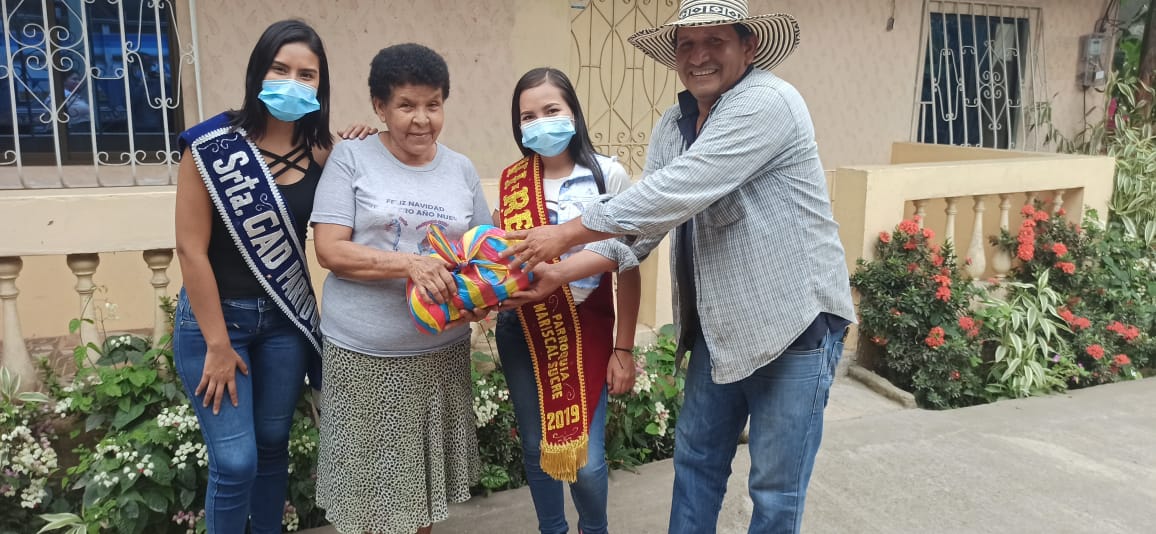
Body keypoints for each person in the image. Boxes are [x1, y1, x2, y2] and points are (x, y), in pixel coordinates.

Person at [503, 2, 856, 533]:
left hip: (793, 325)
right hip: (717, 330)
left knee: (774, 492)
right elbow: (640, 234)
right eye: (686, 44)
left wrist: (566, 233)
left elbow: (673, 192)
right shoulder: (674, 124)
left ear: (748, 47)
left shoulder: (769, 101)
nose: (699, 56)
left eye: (715, 41)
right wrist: (559, 273)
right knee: (694, 468)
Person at [173, 19, 372, 533]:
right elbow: (191, 250)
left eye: (307, 75)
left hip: (284, 324)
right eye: (280, 69)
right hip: (217, 324)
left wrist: (368, 141)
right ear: (258, 72)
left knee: (271, 447)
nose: (292, 82)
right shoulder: (210, 147)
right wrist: (218, 344)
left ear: (320, 85)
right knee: (235, 461)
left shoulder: (325, 152)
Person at [310, 43, 489, 534]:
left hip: (439, 356)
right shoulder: (351, 158)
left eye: (433, 104)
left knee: (420, 498)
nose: (421, 119)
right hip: (365, 357)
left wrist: (480, 299)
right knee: (369, 499)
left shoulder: (461, 169)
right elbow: (330, 249)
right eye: (406, 105)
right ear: (380, 106)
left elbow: (479, 254)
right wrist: (410, 263)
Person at [492, 67, 640, 534]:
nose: (540, 123)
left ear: (573, 111)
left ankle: (594, 529)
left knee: (588, 463)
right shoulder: (513, 182)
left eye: (551, 110)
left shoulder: (608, 174)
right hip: (523, 328)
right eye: (528, 116)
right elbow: (502, 258)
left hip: (587, 327)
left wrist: (624, 347)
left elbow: (630, 262)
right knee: (537, 447)